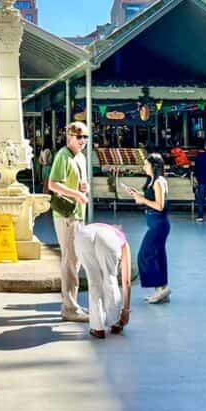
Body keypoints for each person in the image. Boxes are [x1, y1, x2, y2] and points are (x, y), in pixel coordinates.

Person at [48, 122, 91, 323]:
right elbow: (53, 184)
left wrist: (84, 187)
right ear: (69, 137)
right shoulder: (62, 156)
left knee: (76, 259)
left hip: (78, 213)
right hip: (67, 214)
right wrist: (76, 194)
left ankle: (71, 303)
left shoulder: (80, 158)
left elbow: (80, 184)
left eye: (85, 137)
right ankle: (69, 307)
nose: (82, 141)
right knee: (71, 260)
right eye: (79, 136)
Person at [125, 153, 171, 304]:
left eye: (146, 164)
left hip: (159, 223)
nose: (144, 166)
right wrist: (138, 196)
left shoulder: (158, 182)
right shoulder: (152, 181)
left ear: (154, 166)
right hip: (154, 222)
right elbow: (151, 200)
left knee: (145, 254)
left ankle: (160, 287)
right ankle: (162, 288)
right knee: (158, 256)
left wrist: (143, 199)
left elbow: (159, 205)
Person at [73, 222, 131, 339]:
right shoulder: (122, 240)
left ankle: (97, 328)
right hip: (108, 241)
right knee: (110, 278)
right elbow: (126, 281)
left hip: (83, 236)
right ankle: (115, 322)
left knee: (94, 280)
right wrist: (126, 309)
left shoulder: (100, 227)